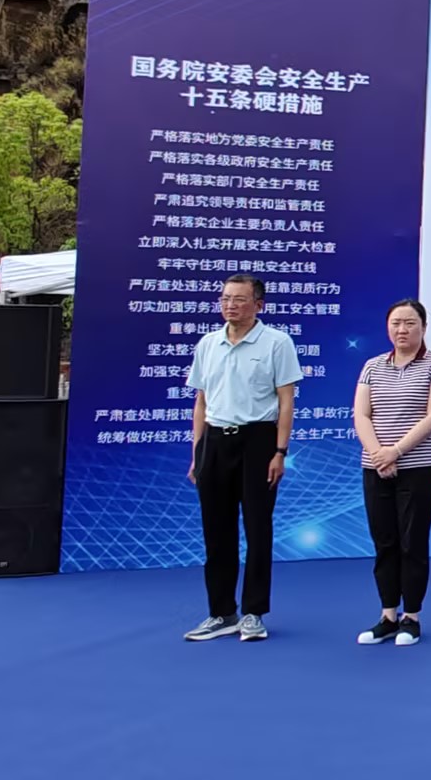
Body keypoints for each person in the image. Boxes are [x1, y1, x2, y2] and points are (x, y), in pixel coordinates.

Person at [183, 274, 302, 642]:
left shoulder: (277, 343)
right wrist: (197, 453)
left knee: (257, 529)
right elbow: (201, 401)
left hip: (258, 441)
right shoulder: (208, 343)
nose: (230, 305)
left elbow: (286, 401)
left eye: (239, 299)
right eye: (225, 298)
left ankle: (253, 613)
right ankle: (221, 612)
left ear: (258, 304)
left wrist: (280, 451)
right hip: (215, 441)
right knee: (216, 532)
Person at [353, 299, 431, 647]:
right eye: (396, 323)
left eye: (410, 323)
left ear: (423, 327)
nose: (402, 329)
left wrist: (395, 451)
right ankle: (387, 615)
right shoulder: (372, 366)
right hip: (375, 467)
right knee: (384, 542)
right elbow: (361, 415)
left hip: (418, 467)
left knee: (412, 542)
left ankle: (411, 616)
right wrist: (379, 454)